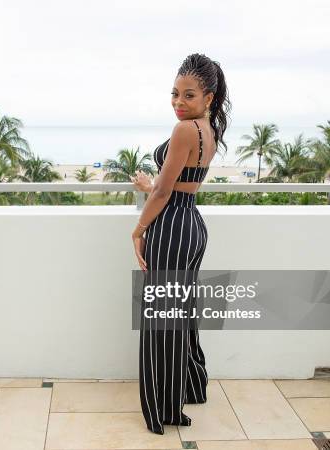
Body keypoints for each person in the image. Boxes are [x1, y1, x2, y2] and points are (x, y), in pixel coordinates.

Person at [130, 53, 231, 434]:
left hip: (171, 227)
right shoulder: (208, 129)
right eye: (174, 93)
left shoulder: (184, 130)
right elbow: (181, 181)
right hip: (191, 224)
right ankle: (188, 387)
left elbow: (163, 193)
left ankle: (164, 408)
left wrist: (138, 229)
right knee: (180, 315)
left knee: (162, 320)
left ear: (209, 96)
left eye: (188, 95)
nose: (178, 102)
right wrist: (150, 185)